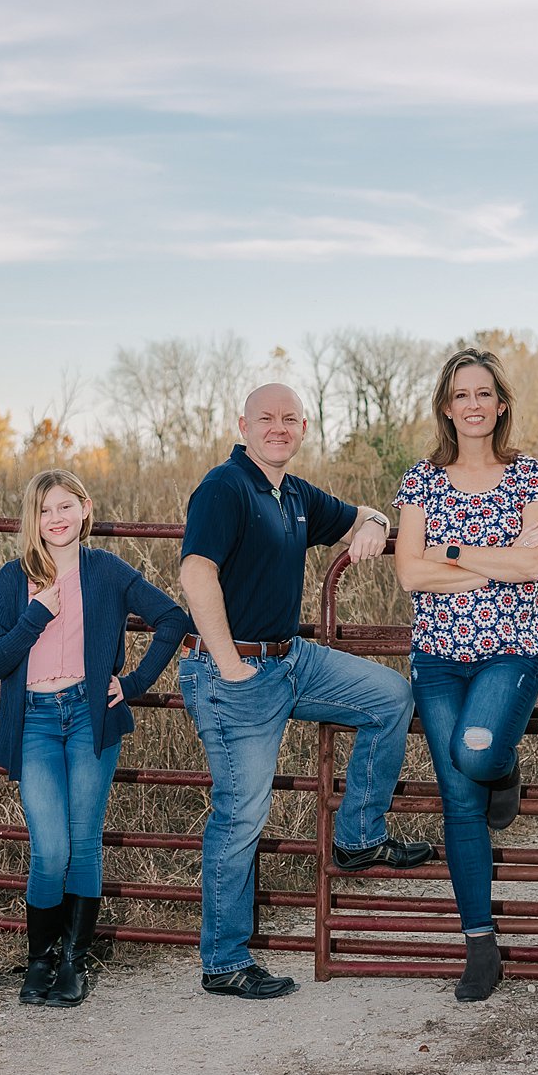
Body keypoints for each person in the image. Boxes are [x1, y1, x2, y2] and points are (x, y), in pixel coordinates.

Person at [178, 383, 432, 1000]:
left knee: (390, 697)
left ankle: (358, 838)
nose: (278, 427)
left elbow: (360, 515)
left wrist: (372, 525)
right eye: (266, 418)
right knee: (242, 814)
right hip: (233, 672)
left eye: (290, 419)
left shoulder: (292, 494)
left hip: (292, 658)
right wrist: (229, 661)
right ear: (242, 424)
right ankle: (225, 961)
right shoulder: (225, 487)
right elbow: (195, 571)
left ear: (304, 427)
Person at [0, 469, 191, 1008]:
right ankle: (40, 960)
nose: (57, 519)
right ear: (34, 519)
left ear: (84, 509)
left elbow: (172, 617)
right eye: (46, 510)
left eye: (65, 507)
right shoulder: (12, 579)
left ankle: (73, 960)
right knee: (50, 849)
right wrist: (35, 616)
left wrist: (136, 682)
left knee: (83, 844)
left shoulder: (105, 571)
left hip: (89, 716)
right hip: (35, 721)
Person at [391, 346, 538, 1003]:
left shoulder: (528, 476)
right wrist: (500, 560)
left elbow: (536, 566)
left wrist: (454, 550)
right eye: (461, 394)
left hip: (511, 648)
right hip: (437, 657)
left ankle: (505, 771)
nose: (473, 405)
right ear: (445, 405)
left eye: (484, 393)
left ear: (502, 402)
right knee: (459, 802)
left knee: (476, 750)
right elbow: (409, 572)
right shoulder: (420, 481)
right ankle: (480, 944)